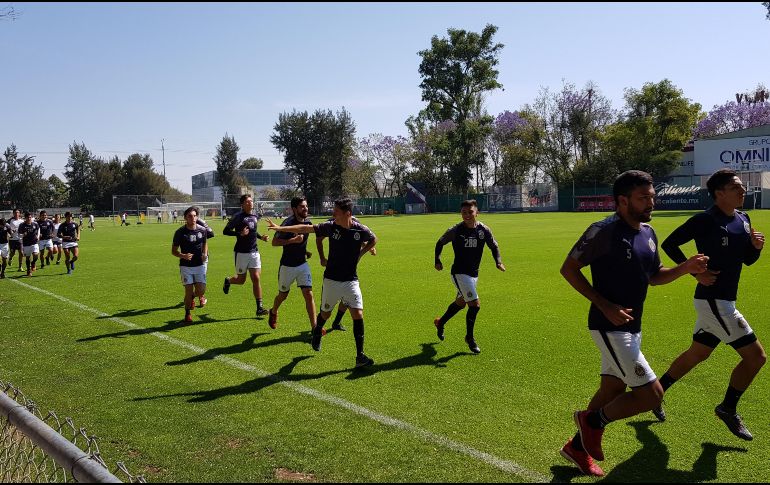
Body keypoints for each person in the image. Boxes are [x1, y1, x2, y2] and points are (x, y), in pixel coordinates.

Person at [558, 170, 709, 476]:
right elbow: (569, 269)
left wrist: (686, 268)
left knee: (611, 390)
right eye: (644, 198)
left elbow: (654, 277)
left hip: (632, 327)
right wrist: (605, 304)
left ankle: (576, 447)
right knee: (651, 394)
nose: (651, 203)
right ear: (622, 201)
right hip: (608, 326)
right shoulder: (603, 231)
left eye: (652, 197)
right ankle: (592, 422)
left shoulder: (647, 233)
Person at [655, 168, 766, 440]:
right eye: (736, 187)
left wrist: (756, 248)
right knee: (756, 357)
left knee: (698, 353)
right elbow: (670, 244)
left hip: (723, 300)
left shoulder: (744, 218)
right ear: (719, 194)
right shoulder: (705, 220)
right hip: (715, 302)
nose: (743, 191)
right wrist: (695, 272)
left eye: (742, 187)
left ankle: (653, 393)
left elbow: (747, 260)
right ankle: (727, 408)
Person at [266, 197, 377, 368]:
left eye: (336, 211)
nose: (333, 213)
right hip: (331, 280)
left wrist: (361, 254)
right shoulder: (330, 226)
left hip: (351, 280)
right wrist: (281, 227)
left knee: (358, 314)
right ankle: (317, 330)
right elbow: (305, 228)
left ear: (347, 214)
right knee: (325, 314)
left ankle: (360, 357)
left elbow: (373, 239)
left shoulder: (359, 229)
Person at [433, 199, 505, 354]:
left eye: (470, 212)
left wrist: (498, 262)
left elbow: (494, 246)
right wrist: (437, 260)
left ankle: (440, 322)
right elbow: (440, 242)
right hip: (459, 273)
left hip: (473, 274)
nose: (467, 215)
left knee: (460, 303)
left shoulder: (483, 230)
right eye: (464, 213)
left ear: (476, 212)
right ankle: (470, 338)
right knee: (475, 304)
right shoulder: (456, 230)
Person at [267, 196, 324, 334]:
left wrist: (306, 251)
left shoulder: (308, 223)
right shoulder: (288, 223)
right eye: (302, 206)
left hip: (302, 265)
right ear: (294, 209)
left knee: (309, 294)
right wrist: (292, 241)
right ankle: (273, 311)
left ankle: (315, 327)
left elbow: (302, 242)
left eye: (306, 206)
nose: (305, 208)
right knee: (282, 295)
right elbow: (274, 242)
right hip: (287, 266)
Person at [316, 217, 377, 332]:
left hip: (349, 268)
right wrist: (322, 258)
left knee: (347, 299)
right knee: (327, 307)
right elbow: (319, 238)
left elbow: (357, 237)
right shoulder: (332, 223)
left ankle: (336, 322)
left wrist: (366, 249)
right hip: (333, 270)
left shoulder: (355, 222)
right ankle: (319, 327)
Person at [222, 194, 271, 317]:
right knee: (241, 280)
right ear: (242, 205)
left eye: (251, 201)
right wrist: (239, 233)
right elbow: (226, 231)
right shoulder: (238, 217)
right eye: (248, 202)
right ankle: (228, 280)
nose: (250, 203)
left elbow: (254, 232)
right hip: (241, 253)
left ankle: (259, 307)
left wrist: (262, 238)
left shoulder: (254, 216)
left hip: (254, 252)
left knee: (256, 277)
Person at [172, 207, 208, 323]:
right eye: (189, 216)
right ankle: (187, 314)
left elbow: (205, 243)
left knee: (201, 291)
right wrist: (183, 256)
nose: (192, 218)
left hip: (199, 265)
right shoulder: (180, 232)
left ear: (197, 217)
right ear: (185, 218)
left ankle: (193, 297)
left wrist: (204, 254)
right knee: (188, 291)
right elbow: (173, 251)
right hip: (186, 267)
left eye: (194, 216)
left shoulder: (202, 230)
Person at [17, 212, 41, 277]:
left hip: (34, 242)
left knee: (36, 255)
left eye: (30, 217)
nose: (29, 219)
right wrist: (23, 235)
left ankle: (33, 263)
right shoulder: (22, 225)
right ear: (25, 218)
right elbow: (19, 234)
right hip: (26, 244)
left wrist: (38, 236)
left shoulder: (35, 224)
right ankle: (28, 270)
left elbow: (38, 229)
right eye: (28, 217)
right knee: (28, 257)